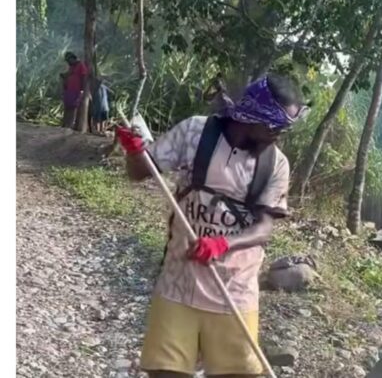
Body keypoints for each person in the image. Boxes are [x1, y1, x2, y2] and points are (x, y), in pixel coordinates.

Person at [115, 75, 308, 378]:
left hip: (235, 292)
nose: (278, 135)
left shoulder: (276, 164)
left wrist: (222, 244)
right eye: (275, 126)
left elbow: (264, 229)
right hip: (178, 284)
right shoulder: (195, 132)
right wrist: (134, 151)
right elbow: (139, 172)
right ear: (253, 115)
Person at [60, 52, 89, 130]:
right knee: (67, 107)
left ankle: (69, 125)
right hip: (69, 90)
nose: (68, 62)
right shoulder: (72, 67)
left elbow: (84, 76)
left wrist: (82, 89)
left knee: (73, 108)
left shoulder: (80, 65)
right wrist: (64, 76)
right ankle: (65, 124)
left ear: (73, 58)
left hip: (76, 90)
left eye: (69, 60)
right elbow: (69, 74)